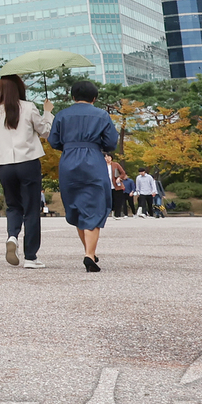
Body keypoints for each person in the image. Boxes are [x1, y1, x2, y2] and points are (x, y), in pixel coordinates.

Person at [48, 80, 119, 273]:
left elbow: (53, 140)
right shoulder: (101, 114)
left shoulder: (62, 115)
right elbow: (111, 142)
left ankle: (90, 252)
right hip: (93, 160)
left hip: (69, 160)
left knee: (77, 206)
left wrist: (70, 144)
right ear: (94, 98)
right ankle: (89, 254)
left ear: (73, 97)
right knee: (95, 206)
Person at [0, 74, 53, 269]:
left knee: (13, 206)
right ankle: (30, 257)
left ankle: (12, 237)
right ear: (19, 88)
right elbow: (45, 131)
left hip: (4, 166)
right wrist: (47, 112)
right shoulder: (28, 107)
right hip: (28, 163)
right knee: (31, 209)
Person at [106, 154, 126, 220]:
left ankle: (117, 215)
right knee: (108, 200)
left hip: (116, 186)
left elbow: (123, 173)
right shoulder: (102, 166)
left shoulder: (116, 165)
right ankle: (108, 213)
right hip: (106, 186)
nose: (107, 158)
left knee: (118, 200)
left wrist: (119, 178)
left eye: (108, 157)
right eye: (105, 157)